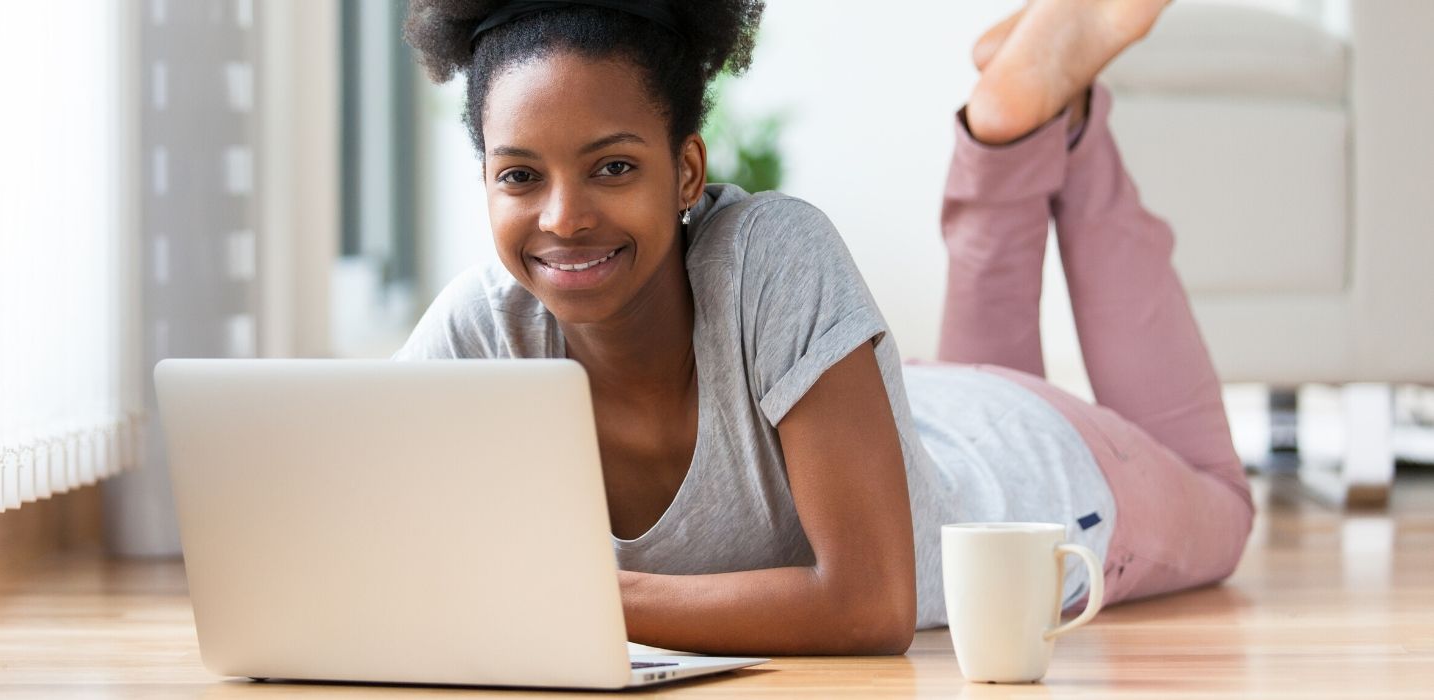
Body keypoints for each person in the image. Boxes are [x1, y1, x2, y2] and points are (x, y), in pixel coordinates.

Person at [395, 0, 1254, 656]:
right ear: (487, 181)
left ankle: (1049, 119)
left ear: (687, 170)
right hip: (914, 428)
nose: (564, 216)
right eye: (518, 175)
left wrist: (566, 595)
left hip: (1034, 478)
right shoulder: (482, 327)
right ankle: (1011, 121)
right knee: (952, 446)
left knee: (1222, 499)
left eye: (613, 167)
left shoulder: (772, 252)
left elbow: (871, 603)